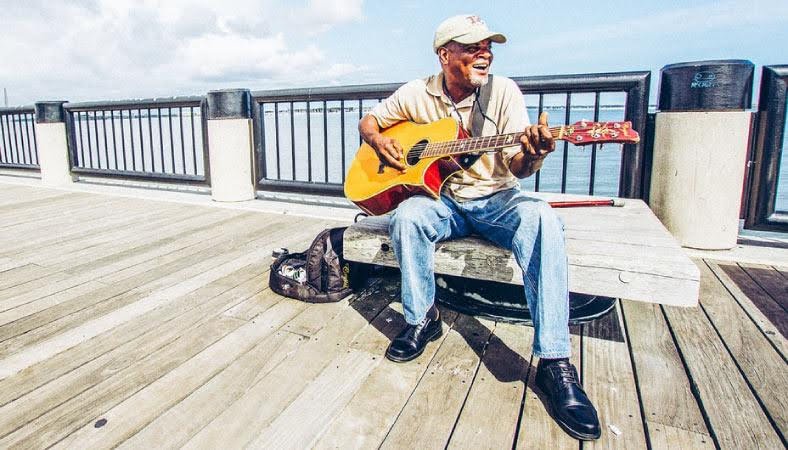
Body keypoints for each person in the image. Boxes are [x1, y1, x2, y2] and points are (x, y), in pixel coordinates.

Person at [357, 14, 601, 441]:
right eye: (472, 46)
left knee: (543, 217)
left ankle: (554, 362)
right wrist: (380, 142)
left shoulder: (502, 92)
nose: (484, 53)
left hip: (496, 199)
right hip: (443, 200)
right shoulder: (416, 93)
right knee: (408, 216)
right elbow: (368, 122)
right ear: (444, 53)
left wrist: (536, 154)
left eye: (489, 46)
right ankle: (421, 320)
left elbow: (519, 168)